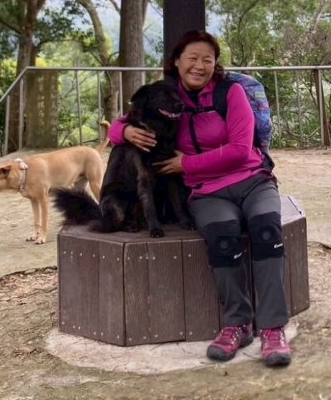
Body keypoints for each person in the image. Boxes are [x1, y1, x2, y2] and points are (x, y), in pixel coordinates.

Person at [108, 30, 292, 367]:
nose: (200, 65)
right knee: (222, 236)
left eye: (208, 59)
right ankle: (238, 323)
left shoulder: (231, 92)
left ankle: (273, 328)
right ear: (176, 61)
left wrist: (185, 163)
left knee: (266, 229)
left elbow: (239, 150)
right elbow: (120, 124)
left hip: (251, 179)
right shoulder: (165, 95)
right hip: (206, 189)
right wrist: (124, 132)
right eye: (192, 57)